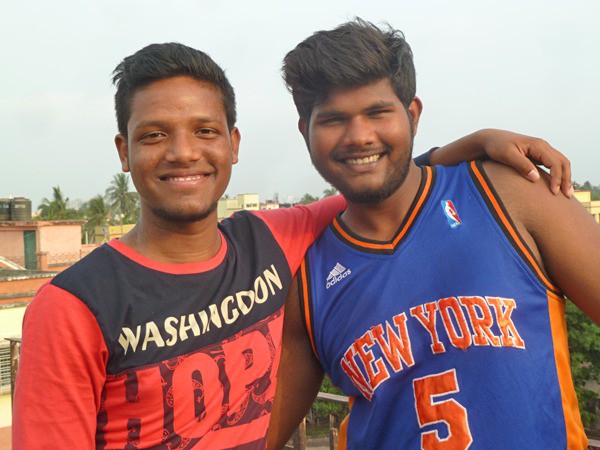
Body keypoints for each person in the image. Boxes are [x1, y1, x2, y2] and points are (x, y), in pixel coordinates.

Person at [12, 42, 572, 450]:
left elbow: (380, 176)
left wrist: (477, 143)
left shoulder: (273, 240)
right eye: (154, 135)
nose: (183, 153)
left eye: (205, 131)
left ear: (233, 145)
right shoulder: (73, 307)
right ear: (123, 150)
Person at [268, 19, 600, 450]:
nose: (359, 136)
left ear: (412, 115)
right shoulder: (308, 282)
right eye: (333, 119)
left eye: (377, 112)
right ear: (305, 131)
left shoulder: (509, 193)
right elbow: (259, 435)